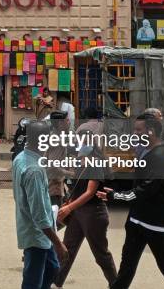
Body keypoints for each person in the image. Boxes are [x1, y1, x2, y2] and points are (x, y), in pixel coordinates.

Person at [98, 113, 164, 289]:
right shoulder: (146, 151)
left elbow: (146, 189)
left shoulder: (161, 156)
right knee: (127, 266)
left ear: (151, 131)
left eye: (139, 130)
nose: (135, 133)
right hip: (137, 219)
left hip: (154, 222)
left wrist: (117, 196)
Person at [52, 144, 117, 288]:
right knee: (67, 248)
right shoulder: (82, 165)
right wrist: (68, 203)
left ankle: (116, 284)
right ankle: (56, 282)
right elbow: (78, 190)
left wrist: (69, 207)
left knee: (100, 254)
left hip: (94, 214)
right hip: (78, 213)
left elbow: (90, 193)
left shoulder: (95, 166)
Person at [13, 120, 68, 289]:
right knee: (33, 281)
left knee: (52, 268)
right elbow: (38, 214)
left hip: (40, 232)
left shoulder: (21, 157)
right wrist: (58, 243)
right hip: (37, 233)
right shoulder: (34, 170)